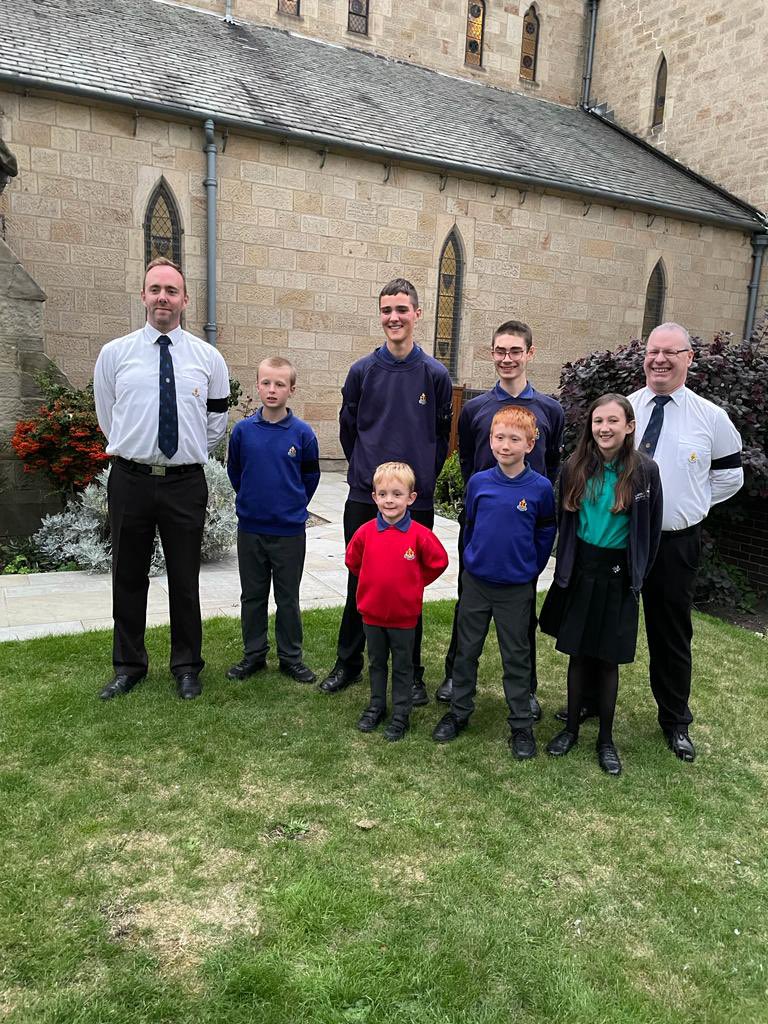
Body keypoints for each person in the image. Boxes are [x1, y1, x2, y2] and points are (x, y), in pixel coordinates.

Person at [94, 257, 230, 701]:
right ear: (143, 296)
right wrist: (135, 447)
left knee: (184, 578)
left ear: (185, 300)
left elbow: (214, 425)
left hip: (184, 483)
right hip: (130, 480)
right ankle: (129, 665)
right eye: (155, 289)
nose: (162, 298)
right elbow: (107, 414)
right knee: (128, 576)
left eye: (171, 291)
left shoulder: (208, 358)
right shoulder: (115, 354)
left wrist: (184, 455)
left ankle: (187, 666)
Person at [319, 279, 453, 703]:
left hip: (416, 502)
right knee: (361, 581)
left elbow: (439, 432)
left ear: (417, 313)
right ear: (380, 315)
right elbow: (349, 428)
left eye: (402, 309)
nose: (393, 317)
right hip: (366, 498)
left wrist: (420, 485)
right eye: (386, 310)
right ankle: (348, 663)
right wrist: (365, 472)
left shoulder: (435, 374)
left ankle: (411, 674)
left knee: (407, 586)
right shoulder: (362, 371)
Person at [436, 320, 563, 719]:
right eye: (500, 351)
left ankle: (525, 690)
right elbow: (471, 463)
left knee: (521, 614)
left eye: (515, 351)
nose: (507, 358)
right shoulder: (475, 409)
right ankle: (456, 677)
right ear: (492, 353)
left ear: (530, 353)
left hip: (522, 530)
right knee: (468, 602)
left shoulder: (549, 410)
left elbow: (552, 465)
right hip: (482, 525)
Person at [630, 323, 743, 761]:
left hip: (675, 545)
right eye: (653, 351)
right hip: (623, 540)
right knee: (606, 621)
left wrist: (689, 505)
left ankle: (675, 720)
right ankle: (587, 702)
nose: (659, 359)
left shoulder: (710, 417)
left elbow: (730, 476)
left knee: (671, 633)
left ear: (688, 358)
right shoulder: (628, 409)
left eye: (670, 352)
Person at [540, 395, 663, 775]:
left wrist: (638, 572)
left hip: (618, 575)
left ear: (628, 426)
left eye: (612, 421)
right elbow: (566, 522)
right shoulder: (575, 467)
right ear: (590, 426)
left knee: (608, 660)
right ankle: (573, 729)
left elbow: (651, 530)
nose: (604, 428)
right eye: (597, 421)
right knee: (578, 654)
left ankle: (605, 740)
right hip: (582, 571)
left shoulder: (644, 472)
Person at [432, 407, 556, 759]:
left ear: (530, 444)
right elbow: (469, 522)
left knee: (516, 656)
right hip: (477, 583)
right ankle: (458, 712)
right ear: (490, 440)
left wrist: (532, 564)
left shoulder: (540, 488)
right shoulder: (480, 482)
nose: (505, 445)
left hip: (515, 588)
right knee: (466, 650)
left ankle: (520, 725)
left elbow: (546, 529)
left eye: (515, 439)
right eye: (499, 437)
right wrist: (472, 556)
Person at [226, 356, 320, 685]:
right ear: (257, 385)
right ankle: (253, 655)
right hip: (251, 529)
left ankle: (290, 657)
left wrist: (291, 507)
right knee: (252, 597)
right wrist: (254, 503)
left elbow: (310, 477)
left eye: (280, 384)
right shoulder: (243, 432)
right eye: (266, 382)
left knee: (287, 598)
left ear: (291, 390)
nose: (271, 389)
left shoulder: (303, 434)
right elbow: (235, 472)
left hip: (289, 532)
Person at [346, 462, 449, 741]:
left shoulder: (419, 535)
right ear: (375, 497)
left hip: (404, 618)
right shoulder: (365, 533)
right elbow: (353, 561)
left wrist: (415, 582)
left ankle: (401, 714)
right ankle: (377, 705)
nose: (389, 500)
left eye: (397, 494)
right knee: (377, 663)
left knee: (403, 666)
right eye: (383, 494)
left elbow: (439, 562)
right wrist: (371, 581)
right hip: (372, 615)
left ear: (411, 498)